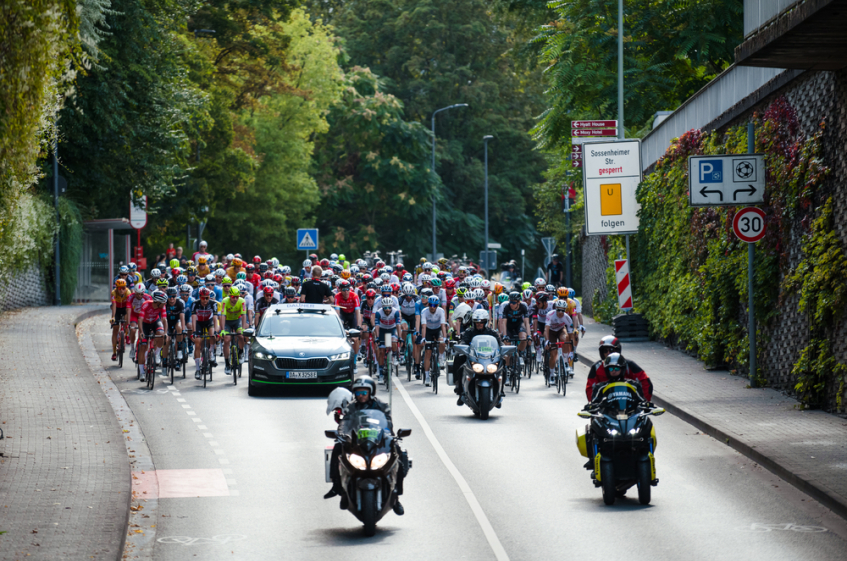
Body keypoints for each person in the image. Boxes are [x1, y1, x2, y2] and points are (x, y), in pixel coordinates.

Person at [324, 376, 408, 516]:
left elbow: (387, 423)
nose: (361, 396)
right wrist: (342, 434)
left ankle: (396, 497)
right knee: (338, 447)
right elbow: (345, 423)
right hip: (357, 441)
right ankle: (337, 487)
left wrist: (389, 435)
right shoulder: (351, 407)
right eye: (358, 393)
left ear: (371, 392)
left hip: (377, 441)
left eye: (364, 393)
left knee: (398, 453)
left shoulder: (381, 406)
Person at [453, 308, 503, 403]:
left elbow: (500, 344)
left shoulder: (492, 332)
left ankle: (500, 391)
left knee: (502, 365)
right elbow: (464, 342)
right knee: (458, 359)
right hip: (473, 357)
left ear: (485, 322)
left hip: (489, 359)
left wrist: (503, 349)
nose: (479, 324)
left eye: (481, 322)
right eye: (477, 322)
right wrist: (462, 347)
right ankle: (460, 390)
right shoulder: (469, 332)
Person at [585, 349, 652, 402]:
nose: (614, 371)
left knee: (645, 418)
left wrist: (646, 405)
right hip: (608, 416)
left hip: (630, 415)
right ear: (607, 370)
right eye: (611, 369)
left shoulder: (634, 385)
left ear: (622, 369)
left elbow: (642, 401)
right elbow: (593, 402)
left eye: (616, 368)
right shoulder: (599, 387)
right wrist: (591, 407)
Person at [109, 279, 131, 361]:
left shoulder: (128, 293)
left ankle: (126, 335)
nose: (122, 290)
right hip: (117, 309)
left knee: (126, 322)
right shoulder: (113, 293)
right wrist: (113, 317)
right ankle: (114, 352)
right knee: (115, 329)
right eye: (120, 288)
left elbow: (129, 309)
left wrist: (128, 323)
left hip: (125, 309)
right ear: (117, 288)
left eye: (124, 288)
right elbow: (114, 305)